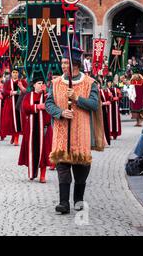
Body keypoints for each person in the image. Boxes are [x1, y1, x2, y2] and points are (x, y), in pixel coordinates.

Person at [45, 46, 105, 214]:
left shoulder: (89, 83)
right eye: (62, 63)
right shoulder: (56, 83)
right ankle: (64, 203)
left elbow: (94, 104)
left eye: (66, 63)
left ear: (75, 64)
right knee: (62, 168)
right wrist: (60, 112)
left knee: (80, 170)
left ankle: (78, 199)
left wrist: (77, 99)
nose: (63, 66)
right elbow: (49, 104)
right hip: (62, 132)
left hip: (81, 133)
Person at [18, 73, 51, 183]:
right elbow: (25, 108)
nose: (41, 85)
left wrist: (46, 93)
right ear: (34, 85)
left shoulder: (46, 96)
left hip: (44, 128)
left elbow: (50, 107)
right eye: (39, 83)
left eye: (42, 83)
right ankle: (32, 173)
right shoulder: (29, 96)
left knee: (44, 152)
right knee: (31, 150)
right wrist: (37, 107)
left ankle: (42, 175)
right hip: (31, 128)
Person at [1, 67, 27, 146]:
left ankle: (16, 137)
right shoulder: (7, 82)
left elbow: (27, 90)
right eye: (13, 72)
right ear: (11, 73)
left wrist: (22, 89)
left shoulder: (22, 81)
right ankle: (13, 135)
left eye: (16, 72)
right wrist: (12, 92)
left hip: (19, 103)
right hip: (10, 103)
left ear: (18, 74)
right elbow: (4, 92)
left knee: (18, 120)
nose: (15, 74)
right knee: (11, 120)